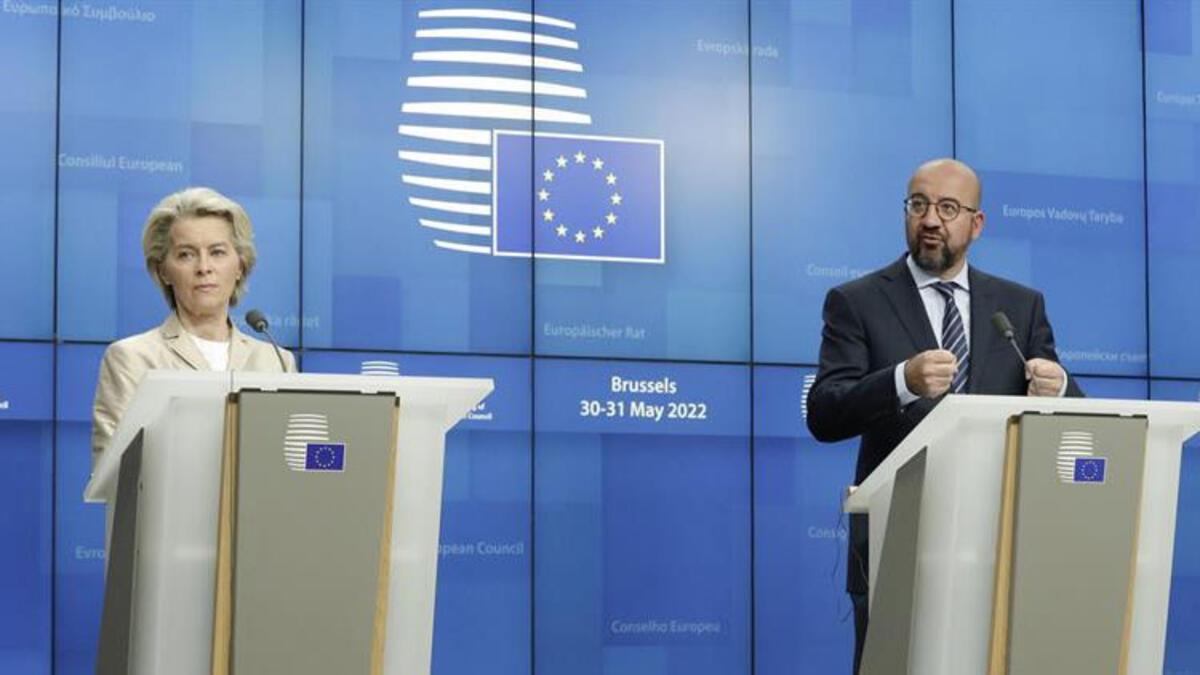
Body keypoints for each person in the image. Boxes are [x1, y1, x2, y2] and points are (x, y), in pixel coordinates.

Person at [804, 158, 1083, 673]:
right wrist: (901, 381)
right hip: (896, 541)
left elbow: (1075, 425)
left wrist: (1061, 387)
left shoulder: (1020, 307)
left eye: (948, 208)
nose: (931, 219)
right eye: (919, 205)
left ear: (977, 223)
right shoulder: (857, 301)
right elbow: (824, 412)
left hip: (1001, 543)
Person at [91, 187, 296, 466]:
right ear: (163, 270)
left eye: (217, 252)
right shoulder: (132, 358)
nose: (204, 267)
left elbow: (291, 465)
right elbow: (114, 470)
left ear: (240, 265)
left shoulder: (276, 361)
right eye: (186, 254)